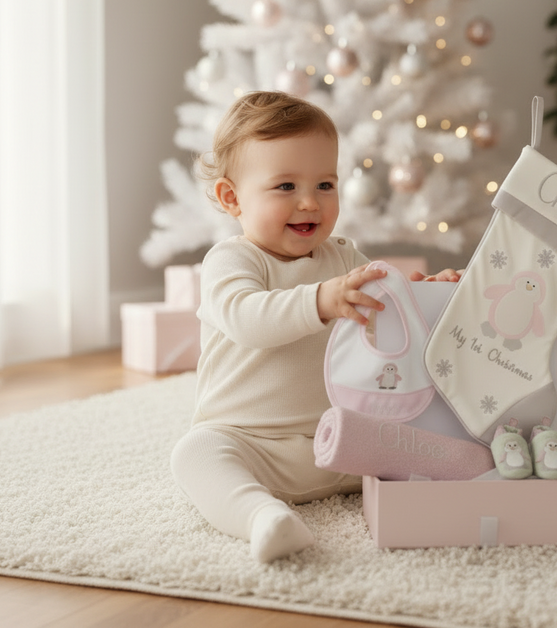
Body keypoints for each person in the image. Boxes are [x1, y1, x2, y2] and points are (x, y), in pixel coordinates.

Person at [171, 90, 461, 563]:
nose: (310, 202)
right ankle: (263, 517)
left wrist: (427, 294)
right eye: (286, 186)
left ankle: (482, 480)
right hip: (252, 443)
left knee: (421, 434)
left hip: (340, 440)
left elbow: (385, 312)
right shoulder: (231, 260)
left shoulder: (342, 257)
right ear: (232, 198)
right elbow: (248, 318)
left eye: (325, 185)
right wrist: (321, 300)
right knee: (195, 453)